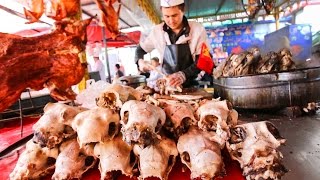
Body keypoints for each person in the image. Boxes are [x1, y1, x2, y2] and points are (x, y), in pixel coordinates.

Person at [135, 0, 211, 88]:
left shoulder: (197, 29)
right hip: (167, 86)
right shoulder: (157, 31)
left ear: (183, 10)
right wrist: (140, 62)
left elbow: (203, 59)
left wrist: (184, 75)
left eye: (175, 15)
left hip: (192, 86)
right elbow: (140, 49)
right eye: (166, 16)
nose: (171, 21)